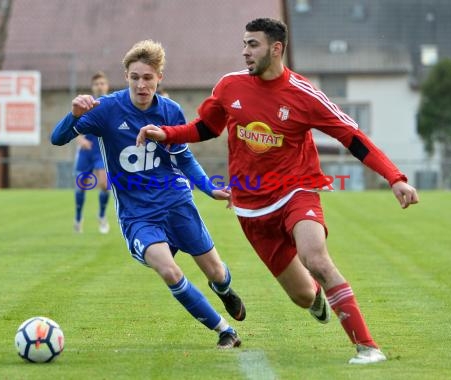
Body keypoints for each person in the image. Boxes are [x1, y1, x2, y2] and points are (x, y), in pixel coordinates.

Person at [136, 18, 419, 364]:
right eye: (243, 44)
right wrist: (168, 134)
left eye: (252, 45)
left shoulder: (304, 94)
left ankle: (367, 346)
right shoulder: (229, 87)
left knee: (316, 258)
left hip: (297, 191)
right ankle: (315, 297)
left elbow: (352, 137)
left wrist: (395, 177)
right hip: (251, 209)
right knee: (302, 296)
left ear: (276, 48)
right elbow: (206, 127)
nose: (245, 52)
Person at [51, 40, 245, 349]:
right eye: (134, 77)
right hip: (138, 214)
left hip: (176, 202)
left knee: (217, 272)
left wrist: (209, 189)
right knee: (169, 270)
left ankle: (224, 290)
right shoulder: (106, 110)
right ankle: (225, 331)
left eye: (148, 78)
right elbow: (57, 138)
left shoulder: (170, 110)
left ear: (159, 79)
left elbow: (183, 158)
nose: (141, 84)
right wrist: (73, 115)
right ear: (126, 76)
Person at [73, 71, 111, 234]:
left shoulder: (112, 104)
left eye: (102, 83)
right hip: (87, 151)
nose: (99, 86)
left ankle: (102, 216)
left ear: (107, 86)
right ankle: (78, 218)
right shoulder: (86, 104)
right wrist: (79, 139)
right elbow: (74, 126)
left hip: (102, 150)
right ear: (92, 87)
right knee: (81, 186)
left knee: (104, 184)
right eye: (96, 84)